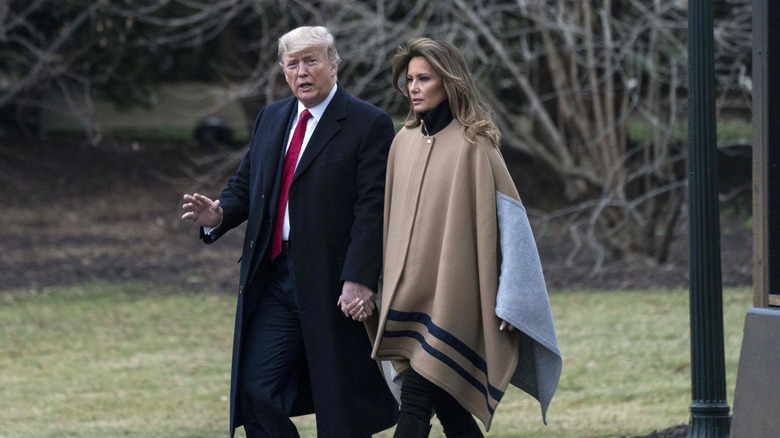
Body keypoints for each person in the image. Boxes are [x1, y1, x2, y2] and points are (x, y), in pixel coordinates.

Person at [181, 26, 399, 438]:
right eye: (293, 63)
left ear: (334, 66)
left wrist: (360, 278)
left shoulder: (369, 123)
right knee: (256, 391)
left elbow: (374, 210)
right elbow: (247, 185)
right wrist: (219, 215)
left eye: (312, 61)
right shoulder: (272, 117)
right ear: (283, 70)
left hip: (334, 285)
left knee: (341, 412)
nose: (302, 71)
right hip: (277, 281)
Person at [364, 38, 562, 437]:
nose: (414, 88)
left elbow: (511, 227)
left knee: (417, 401)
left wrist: (512, 297)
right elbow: (389, 222)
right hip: (407, 298)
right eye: (409, 80)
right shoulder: (402, 143)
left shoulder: (476, 144)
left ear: (449, 82)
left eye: (425, 78)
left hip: (456, 300)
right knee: (450, 406)